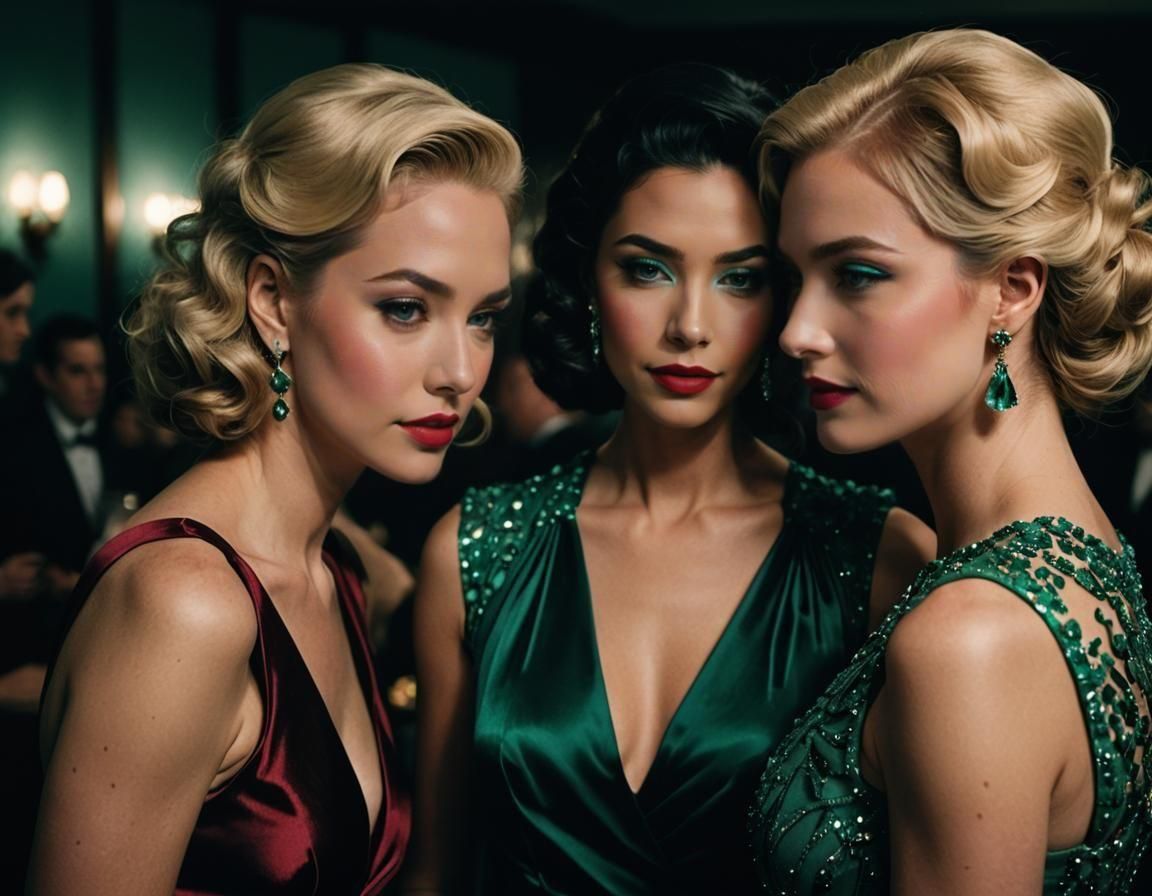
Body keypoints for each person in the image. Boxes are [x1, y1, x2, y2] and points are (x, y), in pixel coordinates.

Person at [405, 63, 933, 895]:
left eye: (739, 277)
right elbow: (433, 876)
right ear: (588, 282)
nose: (690, 325)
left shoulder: (881, 559)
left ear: (783, 299)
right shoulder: (474, 552)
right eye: (648, 269)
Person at [28, 63, 522, 896]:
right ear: (271, 299)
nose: (460, 370)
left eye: (482, 317)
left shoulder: (334, 574)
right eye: (406, 308)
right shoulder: (185, 601)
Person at [750, 28, 1152, 895]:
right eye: (795, 277)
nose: (795, 332)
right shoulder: (1090, 555)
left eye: (856, 274)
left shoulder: (969, 640)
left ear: (1013, 287)